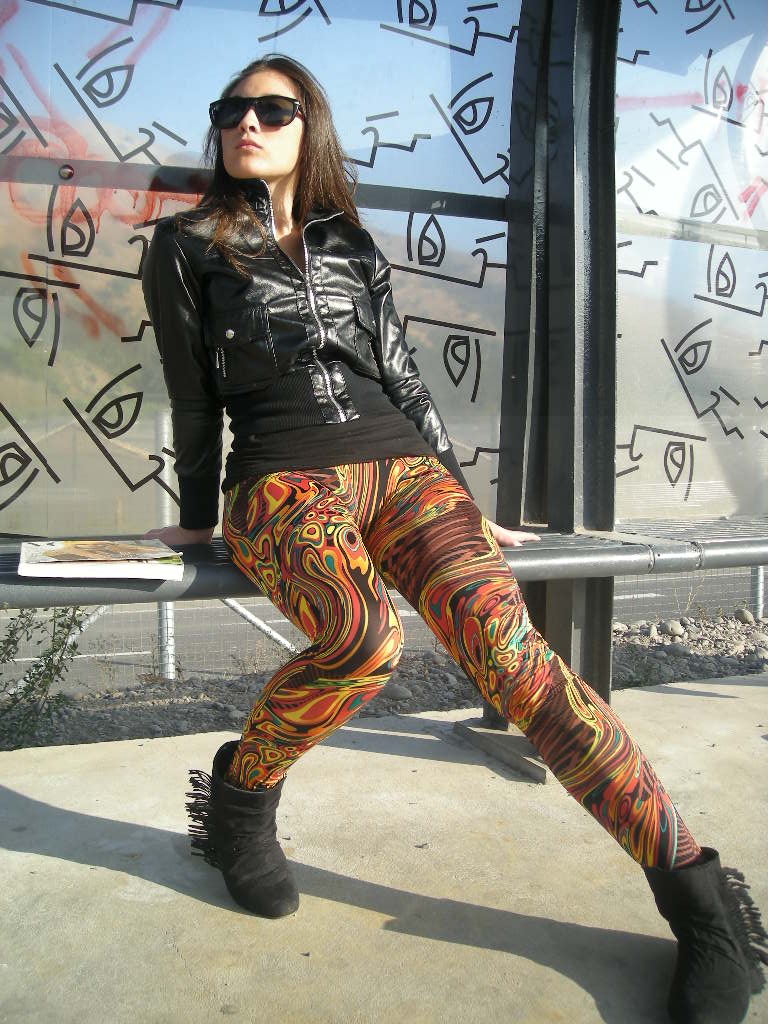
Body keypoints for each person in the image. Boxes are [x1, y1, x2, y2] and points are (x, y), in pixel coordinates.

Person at [142, 54, 765, 1024]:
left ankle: (702, 901)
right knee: (363, 641)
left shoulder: (350, 241)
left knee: (519, 664)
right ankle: (241, 799)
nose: (245, 125)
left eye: (271, 109)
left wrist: (463, 498)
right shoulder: (185, 244)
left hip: (404, 470)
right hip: (279, 477)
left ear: (311, 124)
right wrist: (192, 513)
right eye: (231, 111)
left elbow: (402, 373)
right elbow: (192, 397)